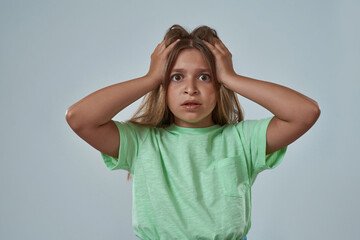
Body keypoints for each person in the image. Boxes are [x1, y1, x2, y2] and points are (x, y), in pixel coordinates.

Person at [65, 24, 320, 240]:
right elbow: (79, 118)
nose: (190, 89)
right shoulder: (142, 142)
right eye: (176, 77)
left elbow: (305, 113)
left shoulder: (242, 140)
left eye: (205, 77)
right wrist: (151, 78)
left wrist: (231, 77)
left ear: (219, 85)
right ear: (163, 86)